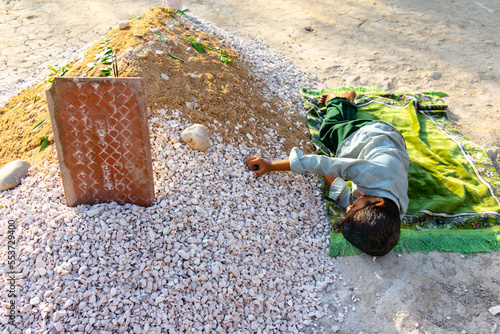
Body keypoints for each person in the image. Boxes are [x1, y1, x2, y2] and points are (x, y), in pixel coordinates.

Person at [246, 91, 409, 256]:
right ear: (378, 201)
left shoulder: (392, 215)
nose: (349, 207)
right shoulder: (373, 174)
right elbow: (325, 163)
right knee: (329, 131)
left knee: (337, 175)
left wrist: (335, 186)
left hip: (397, 146)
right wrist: (271, 165)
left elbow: (349, 201)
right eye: (354, 207)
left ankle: (346, 106)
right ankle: (340, 99)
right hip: (373, 134)